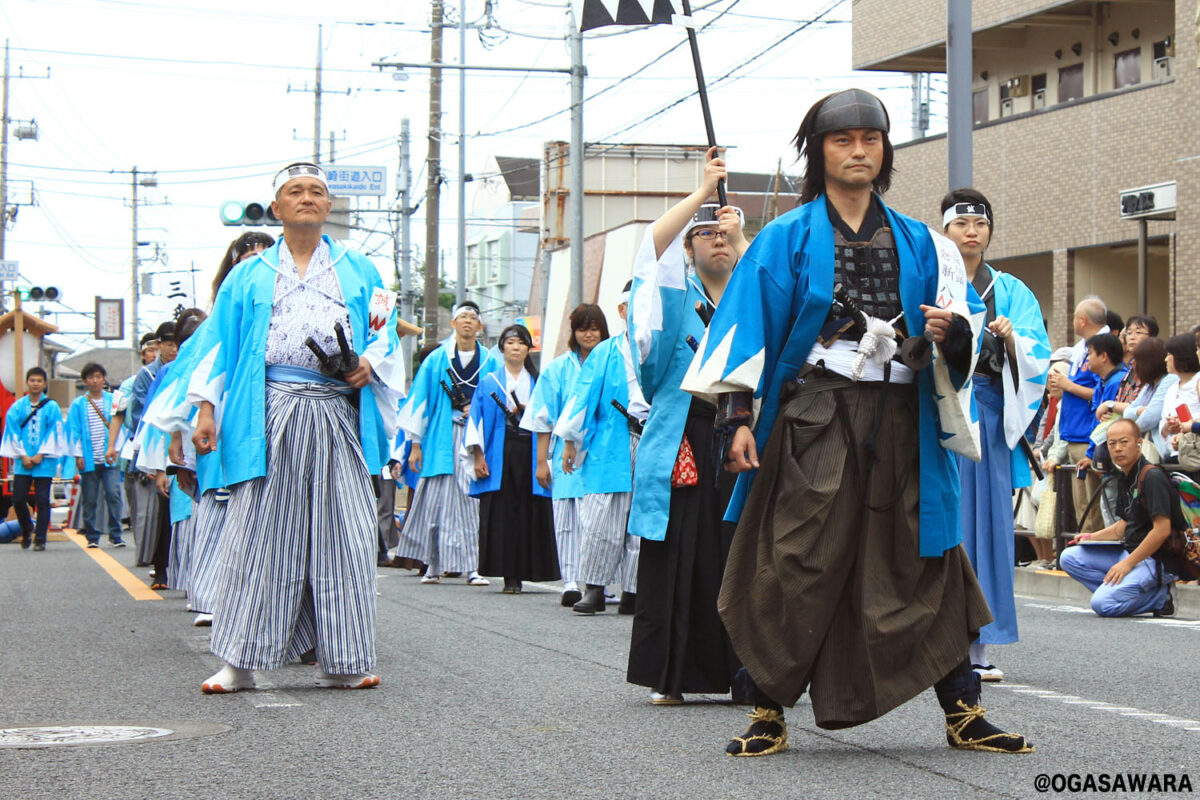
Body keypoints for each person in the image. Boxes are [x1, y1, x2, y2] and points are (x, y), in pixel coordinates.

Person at [683, 89, 1031, 756]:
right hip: (815, 416)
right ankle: (765, 709)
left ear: (885, 150)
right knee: (791, 560)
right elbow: (741, 333)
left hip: (903, 418)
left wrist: (949, 336)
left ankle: (962, 709)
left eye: (871, 138)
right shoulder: (785, 238)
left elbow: (963, 339)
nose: (859, 150)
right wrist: (736, 420)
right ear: (821, 152)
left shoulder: (924, 243)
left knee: (928, 561)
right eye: (844, 140)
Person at [145, 161, 405, 692]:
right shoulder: (247, 276)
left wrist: (369, 365)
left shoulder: (365, 270)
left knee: (347, 537)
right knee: (258, 537)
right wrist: (204, 408)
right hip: (269, 411)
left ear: (329, 207)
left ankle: (345, 660)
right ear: (278, 207)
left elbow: (386, 337)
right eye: (295, 192)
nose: (306, 199)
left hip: (338, 411)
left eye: (316, 192)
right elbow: (219, 346)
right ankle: (239, 662)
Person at [627, 147, 749, 706]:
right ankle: (673, 677)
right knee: (680, 554)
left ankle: (749, 673)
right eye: (704, 235)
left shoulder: (750, 295)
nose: (716, 240)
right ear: (688, 248)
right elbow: (650, 250)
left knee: (744, 556)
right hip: (688, 438)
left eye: (723, 233)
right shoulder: (673, 299)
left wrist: (743, 238)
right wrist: (703, 193)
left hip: (745, 436)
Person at [940, 189, 1050, 683]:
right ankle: (934, 641)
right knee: (942, 524)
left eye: (979, 224)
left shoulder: (1012, 290)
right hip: (939, 411)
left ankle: (980, 645)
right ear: (945, 230)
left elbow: (1038, 353)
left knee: (988, 529)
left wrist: (1012, 340)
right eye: (961, 223)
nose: (971, 231)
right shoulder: (931, 281)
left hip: (988, 408)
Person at [556, 282, 649, 614]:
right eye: (633, 305)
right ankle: (594, 588)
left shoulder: (663, 346)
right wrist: (570, 441)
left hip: (651, 439)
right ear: (622, 311)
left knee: (642, 520)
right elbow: (583, 397)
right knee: (600, 519)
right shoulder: (605, 352)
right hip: (610, 442)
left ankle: (635, 592)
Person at [395, 300, 498, 586]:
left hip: (475, 438)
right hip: (441, 435)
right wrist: (414, 445)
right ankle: (432, 564)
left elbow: (499, 397)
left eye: (472, 318)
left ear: (479, 326)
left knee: (471, 502)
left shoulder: (491, 360)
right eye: (462, 317)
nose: (467, 322)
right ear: (453, 323)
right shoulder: (437, 359)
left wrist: (477, 410)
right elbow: (420, 401)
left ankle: (473, 566)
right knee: (435, 501)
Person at [521, 304, 607, 607]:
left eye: (594, 327)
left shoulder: (613, 362)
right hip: (564, 455)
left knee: (598, 520)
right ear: (574, 332)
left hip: (602, 452)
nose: (589, 334)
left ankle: (599, 579)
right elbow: (542, 419)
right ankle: (571, 579)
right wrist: (541, 461)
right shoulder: (558, 369)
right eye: (583, 328)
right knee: (567, 519)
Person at [466, 324, 559, 593]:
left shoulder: (540, 381)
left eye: (521, 343)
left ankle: (528, 570)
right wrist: (478, 456)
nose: (516, 347)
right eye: (510, 342)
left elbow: (549, 417)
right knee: (502, 513)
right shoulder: (489, 382)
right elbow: (476, 422)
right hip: (499, 450)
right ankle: (509, 575)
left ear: (529, 348)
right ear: (502, 347)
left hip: (530, 450)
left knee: (529, 511)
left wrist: (528, 409)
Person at [1058, 418, 1180, 616]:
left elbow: (1162, 530)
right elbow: (1123, 526)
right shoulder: (1126, 475)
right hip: (1130, 551)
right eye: (1112, 444)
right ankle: (1122, 591)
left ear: (1139, 443)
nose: (1117, 449)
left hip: (1156, 560)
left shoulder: (1153, 477)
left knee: (1102, 604)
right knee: (1069, 557)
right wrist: (1091, 537)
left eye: (1124, 442)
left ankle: (1159, 598)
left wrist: (1127, 564)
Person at [1047, 297, 1109, 532]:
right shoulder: (1082, 348)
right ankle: (1083, 553)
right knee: (1081, 505)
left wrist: (1068, 385)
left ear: (1082, 320)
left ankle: (1092, 557)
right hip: (1073, 433)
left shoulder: (1102, 347)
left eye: (1074, 316)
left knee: (1092, 505)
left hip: (1088, 436)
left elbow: (1100, 393)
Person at [1, 367, 67, 551]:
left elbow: (55, 431)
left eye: (39, 381)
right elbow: (12, 430)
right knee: (18, 498)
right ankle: (26, 527)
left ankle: (40, 538)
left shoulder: (52, 406)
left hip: (44, 461)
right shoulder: (18, 406)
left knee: (42, 499)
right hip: (23, 460)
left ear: (44, 384)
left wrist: (40, 455)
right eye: (32, 380)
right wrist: (23, 455)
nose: (36, 384)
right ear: (27, 383)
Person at [66, 362, 126, 547]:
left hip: (110, 458)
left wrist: (116, 448)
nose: (95, 380)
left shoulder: (115, 399)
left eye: (99, 376)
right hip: (89, 458)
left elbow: (122, 426)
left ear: (104, 378)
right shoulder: (78, 404)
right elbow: (74, 431)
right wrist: (78, 456)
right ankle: (92, 536)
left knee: (113, 494)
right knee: (89, 498)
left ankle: (115, 534)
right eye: (91, 377)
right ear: (84, 381)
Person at [1157, 334, 1200, 462]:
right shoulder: (1171, 388)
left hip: (1194, 452)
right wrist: (1168, 427)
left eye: (1169, 354)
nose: (1165, 359)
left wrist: (1187, 426)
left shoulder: (1197, 381)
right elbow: (1162, 424)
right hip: (1175, 454)